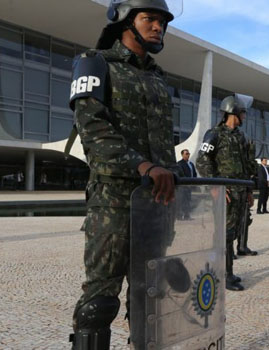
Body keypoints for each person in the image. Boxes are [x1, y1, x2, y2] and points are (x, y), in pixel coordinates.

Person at [68, 1, 180, 348]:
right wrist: (142, 166)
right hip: (113, 203)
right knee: (99, 305)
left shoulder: (160, 79)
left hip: (156, 204)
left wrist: (174, 173)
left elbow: (164, 141)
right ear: (123, 20)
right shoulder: (96, 63)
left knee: (150, 297)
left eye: (162, 21)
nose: (158, 27)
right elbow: (93, 129)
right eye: (149, 19)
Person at [196, 93, 255, 291]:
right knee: (224, 235)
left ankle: (228, 272)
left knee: (233, 233)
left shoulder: (240, 137)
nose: (244, 117)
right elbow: (202, 161)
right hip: (225, 193)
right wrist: (216, 186)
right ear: (233, 112)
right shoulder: (214, 134)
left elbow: (246, 165)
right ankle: (221, 275)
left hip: (239, 193)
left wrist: (249, 190)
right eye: (243, 113)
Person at [177, 149, 197, 220]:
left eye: (188, 153)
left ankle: (187, 215)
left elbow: (194, 174)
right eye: (186, 154)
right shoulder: (179, 164)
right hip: (183, 186)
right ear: (182, 155)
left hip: (189, 186)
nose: (188, 155)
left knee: (188, 200)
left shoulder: (191, 164)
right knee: (182, 200)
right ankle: (179, 215)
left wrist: (194, 182)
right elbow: (181, 174)